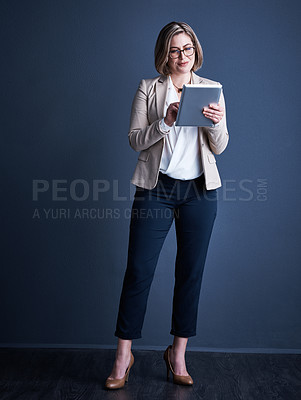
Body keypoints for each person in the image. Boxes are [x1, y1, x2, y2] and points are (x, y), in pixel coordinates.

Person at [105, 21, 229, 389]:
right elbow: (134, 140)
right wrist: (165, 122)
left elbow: (220, 147)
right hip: (155, 190)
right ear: (164, 53)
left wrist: (216, 123)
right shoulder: (149, 88)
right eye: (175, 50)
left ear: (196, 50)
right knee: (138, 272)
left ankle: (177, 354)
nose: (182, 56)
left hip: (199, 193)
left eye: (187, 49)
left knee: (190, 273)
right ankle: (123, 356)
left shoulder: (211, 89)